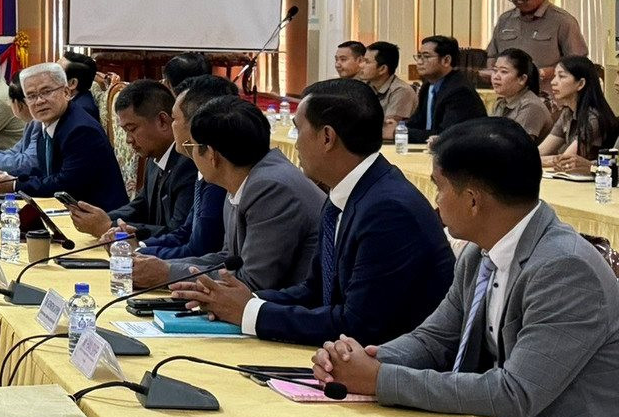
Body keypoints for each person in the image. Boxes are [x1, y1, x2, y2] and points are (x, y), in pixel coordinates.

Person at [314, 118, 619, 417]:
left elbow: (515, 394)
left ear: (473, 200)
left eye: (439, 188)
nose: (436, 202)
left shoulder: (564, 268)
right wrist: (359, 361)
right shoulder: (480, 253)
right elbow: (433, 339)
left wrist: (379, 380)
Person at [179, 79, 450, 344]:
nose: (295, 143)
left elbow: (357, 325)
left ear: (327, 137)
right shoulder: (349, 193)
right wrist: (236, 299)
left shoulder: (388, 209)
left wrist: (251, 312)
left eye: (299, 130)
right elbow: (315, 291)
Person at [130, 96, 321, 294]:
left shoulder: (270, 189)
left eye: (192, 148)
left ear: (212, 155)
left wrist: (167, 274)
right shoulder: (241, 180)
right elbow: (228, 258)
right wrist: (160, 265)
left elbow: (252, 282)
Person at [0, 60, 125, 209]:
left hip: (100, 218)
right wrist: (5, 178)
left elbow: (64, 185)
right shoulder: (46, 122)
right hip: (63, 210)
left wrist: (13, 185)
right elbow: (45, 173)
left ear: (66, 92)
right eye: (31, 96)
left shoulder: (81, 130)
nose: (39, 101)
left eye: (46, 92)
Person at [64, 79, 195, 241]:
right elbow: (141, 205)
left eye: (132, 129)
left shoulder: (189, 165)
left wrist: (108, 227)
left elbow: (178, 234)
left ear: (163, 121)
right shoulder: (154, 156)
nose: (128, 140)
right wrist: (103, 218)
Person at [135, 75, 236, 262]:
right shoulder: (200, 165)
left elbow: (200, 249)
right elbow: (184, 232)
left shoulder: (218, 172)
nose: (172, 126)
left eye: (174, 119)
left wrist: (141, 256)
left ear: (196, 123)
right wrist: (139, 248)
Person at [489, 0, 588, 71]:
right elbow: (491, 56)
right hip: (509, 86)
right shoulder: (505, 20)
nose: (519, 2)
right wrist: (491, 71)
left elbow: (578, 64)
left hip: (547, 86)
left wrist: (546, 73)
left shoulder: (562, 21)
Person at [537, 54, 616, 174]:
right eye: (554, 76)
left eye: (561, 77)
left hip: (598, 183)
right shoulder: (567, 112)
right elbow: (539, 153)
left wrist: (547, 160)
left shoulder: (593, 117)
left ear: (580, 84)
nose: (553, 82)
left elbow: (566, 162)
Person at [405, 35, 486, 143]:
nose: (419, 62)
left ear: (446, 60)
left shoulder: (459, 91)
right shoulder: (427, 86)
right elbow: (417, 122)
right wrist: (397, 128)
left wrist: (401, 133)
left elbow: (445, 135)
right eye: (419, 56)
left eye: (426, 56)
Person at [487, 48, 553, 141]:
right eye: (495, 70)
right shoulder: (501, 103)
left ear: (522, 79)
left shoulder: (531, 106)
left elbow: (517, 148)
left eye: (504, 71)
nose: (496, 76)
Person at [358, 41, 417, 125]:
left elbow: (388, 126)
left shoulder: (401, 91)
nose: (361, 65)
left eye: (367, 62)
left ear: (382, 69)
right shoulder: (365, 86)